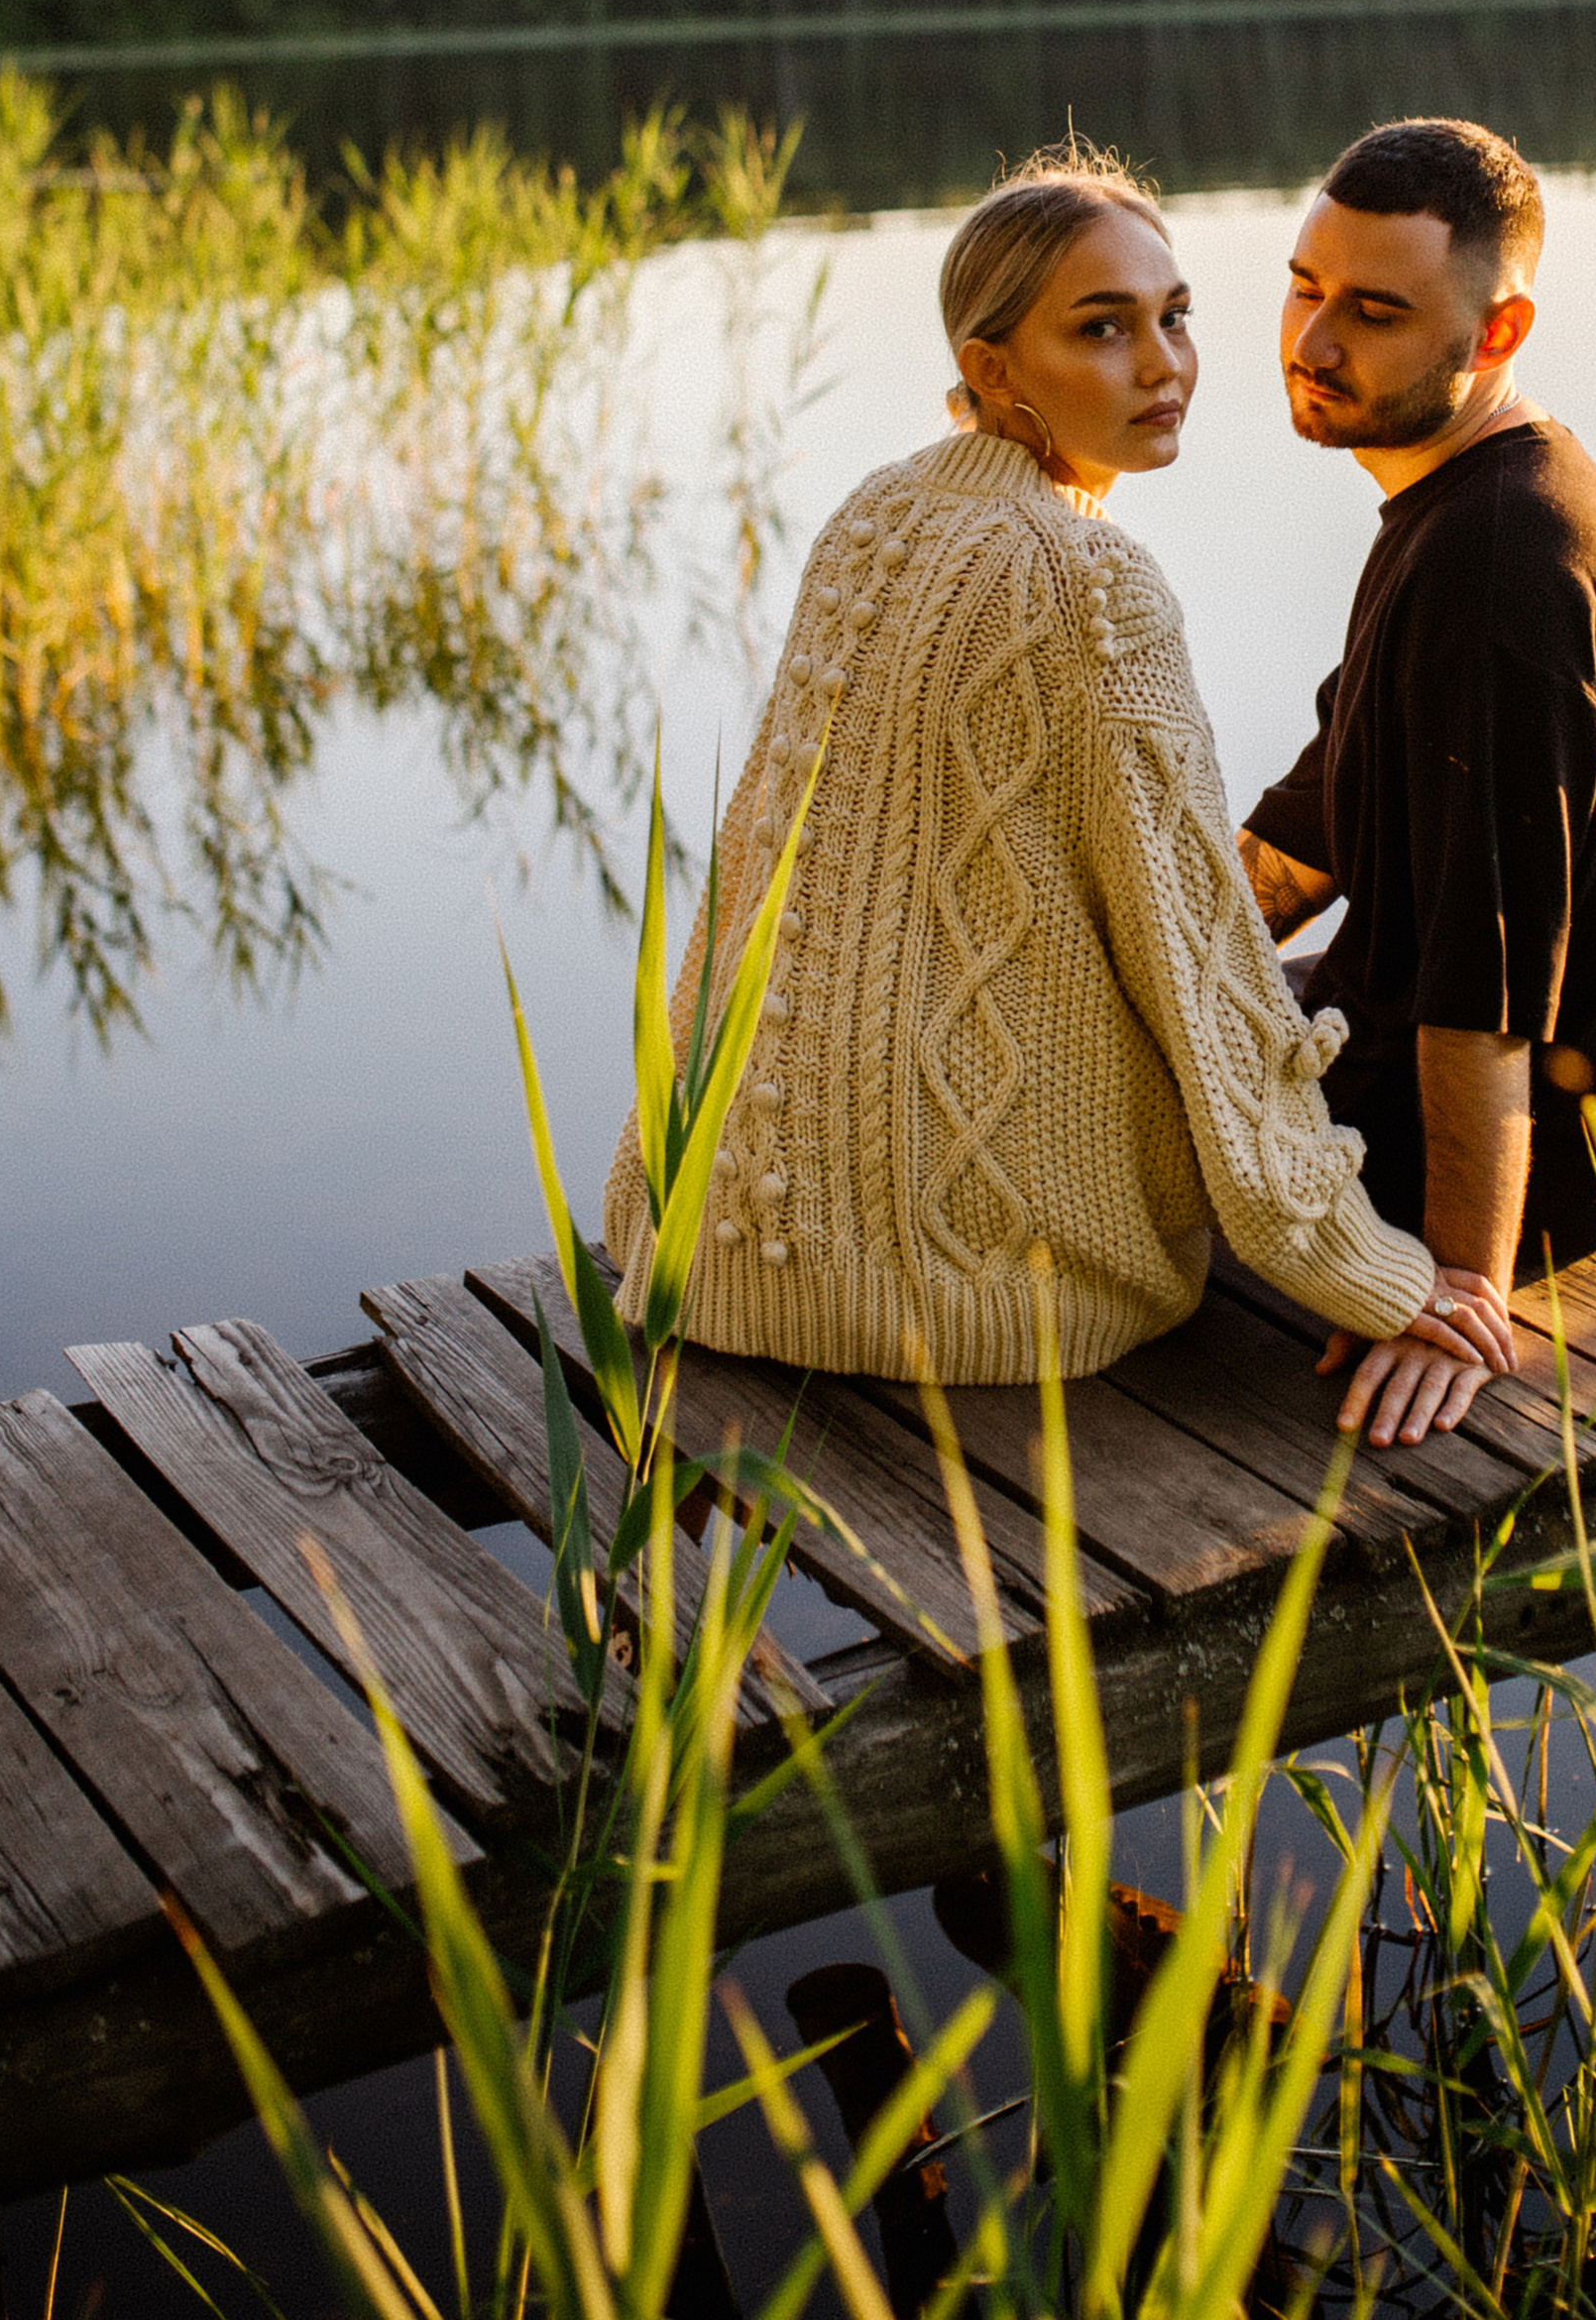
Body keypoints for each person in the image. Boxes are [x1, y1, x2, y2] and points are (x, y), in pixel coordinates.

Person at [603, 146, 1516, 1435]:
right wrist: (1371, 1271)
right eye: (1103, 329)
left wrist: (663, 1181)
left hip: (720, 1247)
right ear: (992, 368)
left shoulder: (874, 517)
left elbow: (762, 875)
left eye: (1175, 316)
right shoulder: (1093, 586)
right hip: (986, 1298)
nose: (1163, 365)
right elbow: (1199, 974)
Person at [1237, 117, 1596, 1447]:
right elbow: (1319, 826)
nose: (1315, 340)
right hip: (1485, 1065)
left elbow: (1486, 990)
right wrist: (1159, 963)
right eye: (1304, 285)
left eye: (1376, 312)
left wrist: (1456, 1282)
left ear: (1496, 335)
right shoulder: (1459, 507)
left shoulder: (1503, 575)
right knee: (1084, 1032)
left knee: (1054, 1132)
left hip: (1558, 1151)